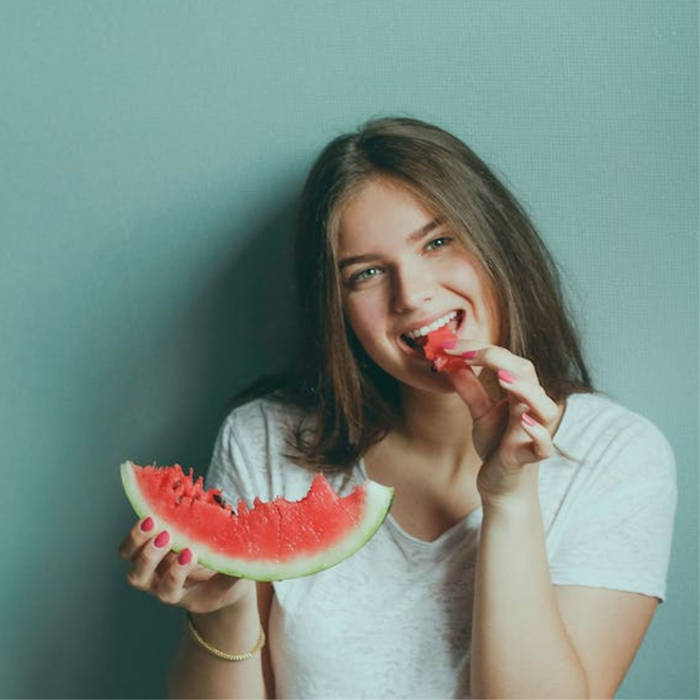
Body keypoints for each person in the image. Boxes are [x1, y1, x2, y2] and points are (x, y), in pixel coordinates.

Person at [118, 116, 677, 699]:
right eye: (367, 274)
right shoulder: (264, 437)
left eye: (438, 242)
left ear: (497, 243)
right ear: (337, 306)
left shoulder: (619, 457)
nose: (412, 296)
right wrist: (224, 609)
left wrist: (509, 500)